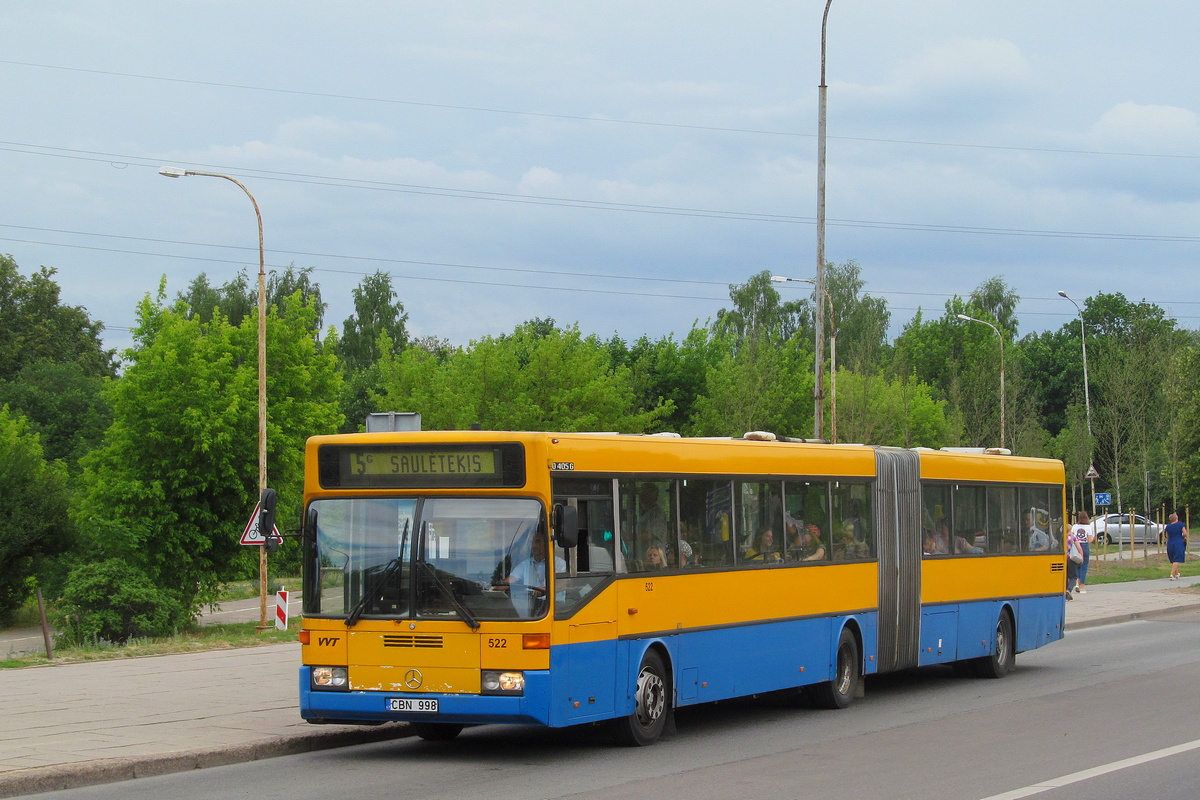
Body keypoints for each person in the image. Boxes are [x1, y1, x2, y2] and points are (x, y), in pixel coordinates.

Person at [1071, 510, 1094, 593]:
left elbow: (1071, 535)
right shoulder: (1088, 527)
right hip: (1084, 546)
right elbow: (1090, 539)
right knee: (1084, 566)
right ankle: (1082, 586)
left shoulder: (1075, 526)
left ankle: (1077, 583)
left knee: (1077, 565)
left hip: (1076, 546)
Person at [1165, 512, 1189, 580]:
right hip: (1178, 542)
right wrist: (1182, 537)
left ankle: (1176, 574)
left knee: (1173, 559)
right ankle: (1172, 575)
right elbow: (1185, 533)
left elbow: (1167, 536)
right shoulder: (1180, 524)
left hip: (1170, 543)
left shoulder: (1168, 527)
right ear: (1177, 518)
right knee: (1176, 558)